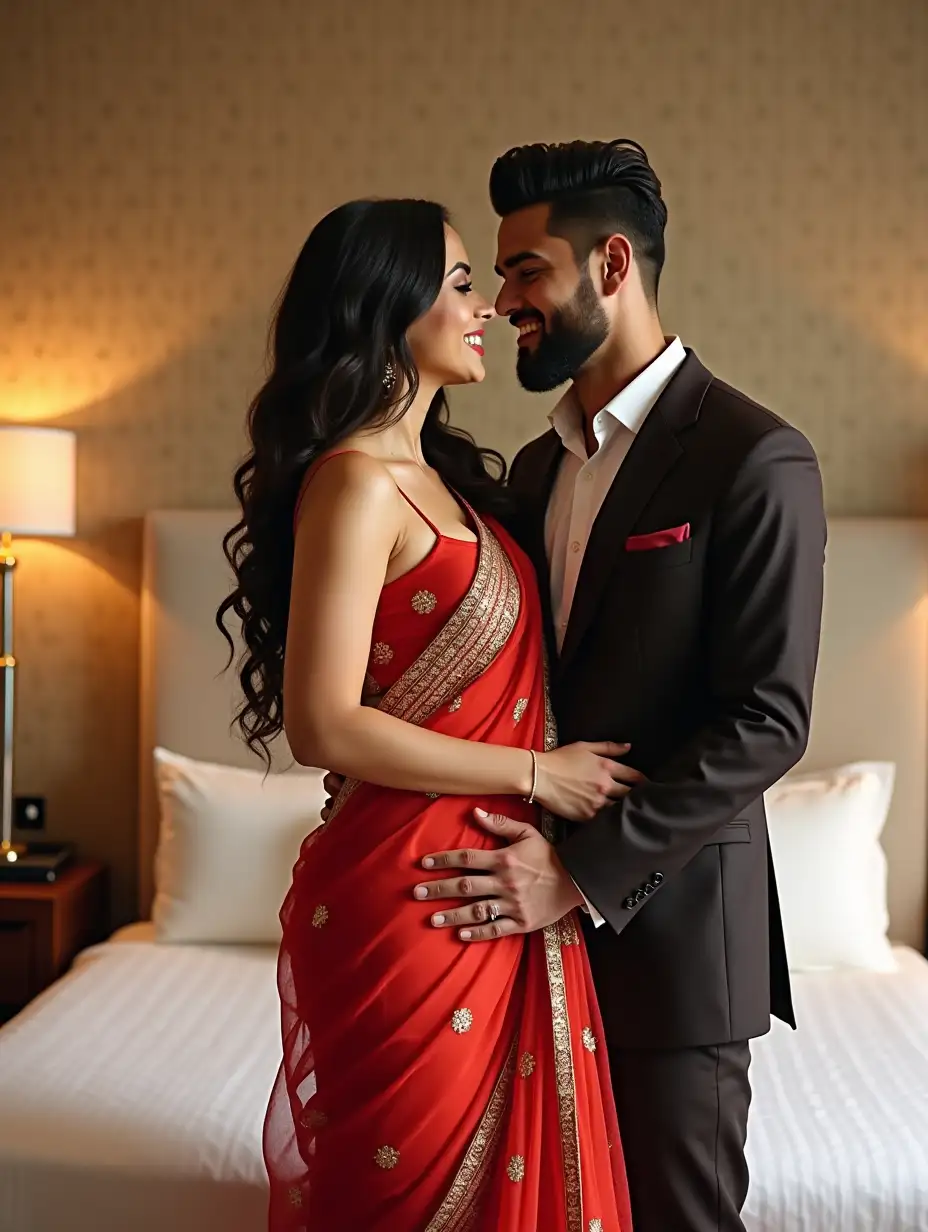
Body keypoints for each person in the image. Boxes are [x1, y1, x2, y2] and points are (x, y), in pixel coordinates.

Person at [407, 140, 827, 1232]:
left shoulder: (753, 456)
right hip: (515, 950)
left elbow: (767, 721)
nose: (502, 303)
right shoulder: (536, 469)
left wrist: (578, 873)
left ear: (609, 266)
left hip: (675, 952)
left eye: (523, 271)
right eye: (495, 278)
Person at [217, 198, 635, 1231]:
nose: (487, 305)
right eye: (457, 283)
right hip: (410, 901)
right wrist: (540, 774)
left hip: (498, 889)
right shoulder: (355, 483)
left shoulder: (453, 486)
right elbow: (323, 724)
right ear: (384, 303)